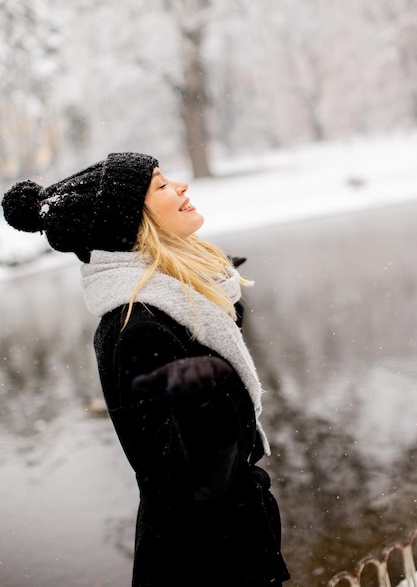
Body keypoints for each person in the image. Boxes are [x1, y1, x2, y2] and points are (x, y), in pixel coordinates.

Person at [2, 152, 290, 587]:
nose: (181, 187)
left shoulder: (172, 305)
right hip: (205, 565)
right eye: (160, 185)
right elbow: (187, 481)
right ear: (131, 224)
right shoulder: (138, 329)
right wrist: (214, 391)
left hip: (224, 550)